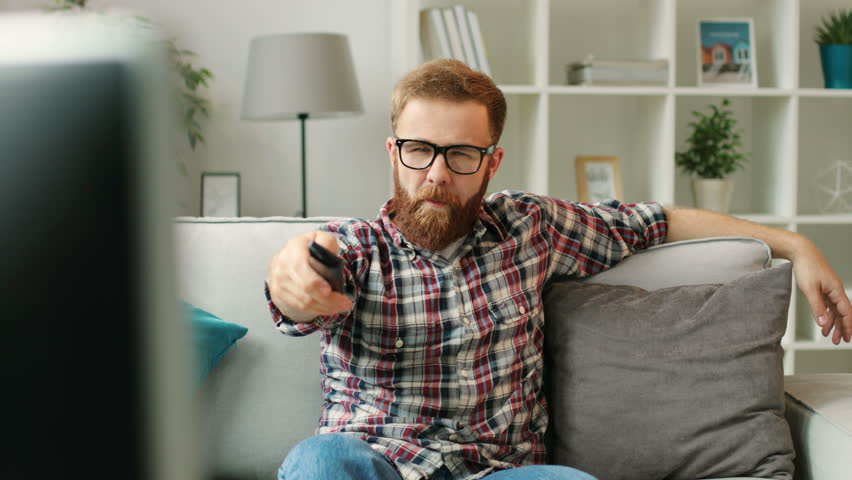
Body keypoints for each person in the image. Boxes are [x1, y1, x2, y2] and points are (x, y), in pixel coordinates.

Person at [266, 59, 852, 480]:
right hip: (377, 464)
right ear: (394, 152)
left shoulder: (533, 229)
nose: (437, 175)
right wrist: (295, 277)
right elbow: (294, 288)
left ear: (492, 162)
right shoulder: (356, 248)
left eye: (462, 154)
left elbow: (659, 220)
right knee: (321, 461)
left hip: (496, 470)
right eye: (419, 150)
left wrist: (796, 244)